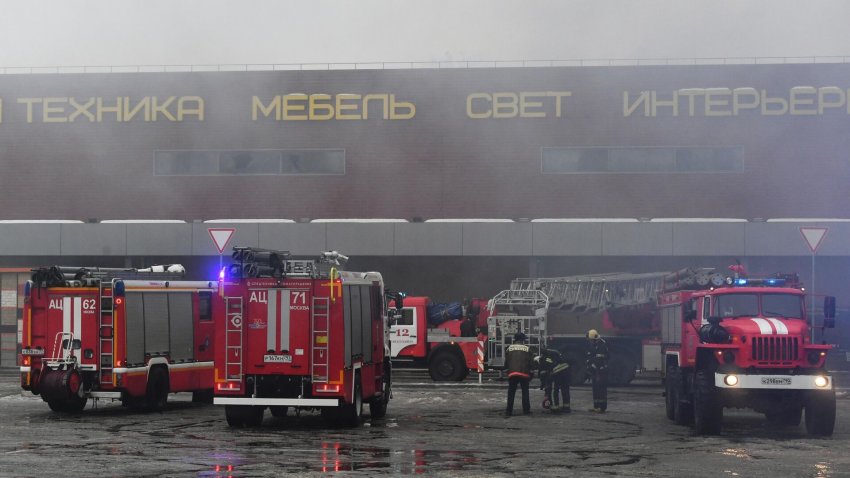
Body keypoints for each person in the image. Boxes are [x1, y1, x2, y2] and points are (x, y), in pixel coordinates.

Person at [504, 332, 533, 417]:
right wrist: (531, 372)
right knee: (525, 391)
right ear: (523, 340)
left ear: (515, 339)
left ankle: (509, 411)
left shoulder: (509, 348)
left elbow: (506, 362)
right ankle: (526, 410)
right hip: (524, 374)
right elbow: (531, 363)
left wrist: (508, 371)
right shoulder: (527, 349)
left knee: (511, 393)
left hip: (512, 373)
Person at [537, 347, 571, 413]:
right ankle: (566, 407)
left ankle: (555, 408)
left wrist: (546, 389)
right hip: (566, 370)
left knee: (552, 389)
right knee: (565, 389)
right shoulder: (554, 352)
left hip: (557, 372)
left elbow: (544, 376)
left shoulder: (542, 360)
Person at [585, 329, 610, 413]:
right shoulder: (594, 345)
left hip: (601, 371)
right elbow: (591, 357)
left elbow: (599, 360)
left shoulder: (602, 346)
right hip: (595, 371)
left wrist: (592, 367)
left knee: (601, 389)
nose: (589, 341)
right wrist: (589, 368)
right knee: (595, 389)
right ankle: (596, 406)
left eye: (590, 340)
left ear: (594, 339)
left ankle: (602, 407)